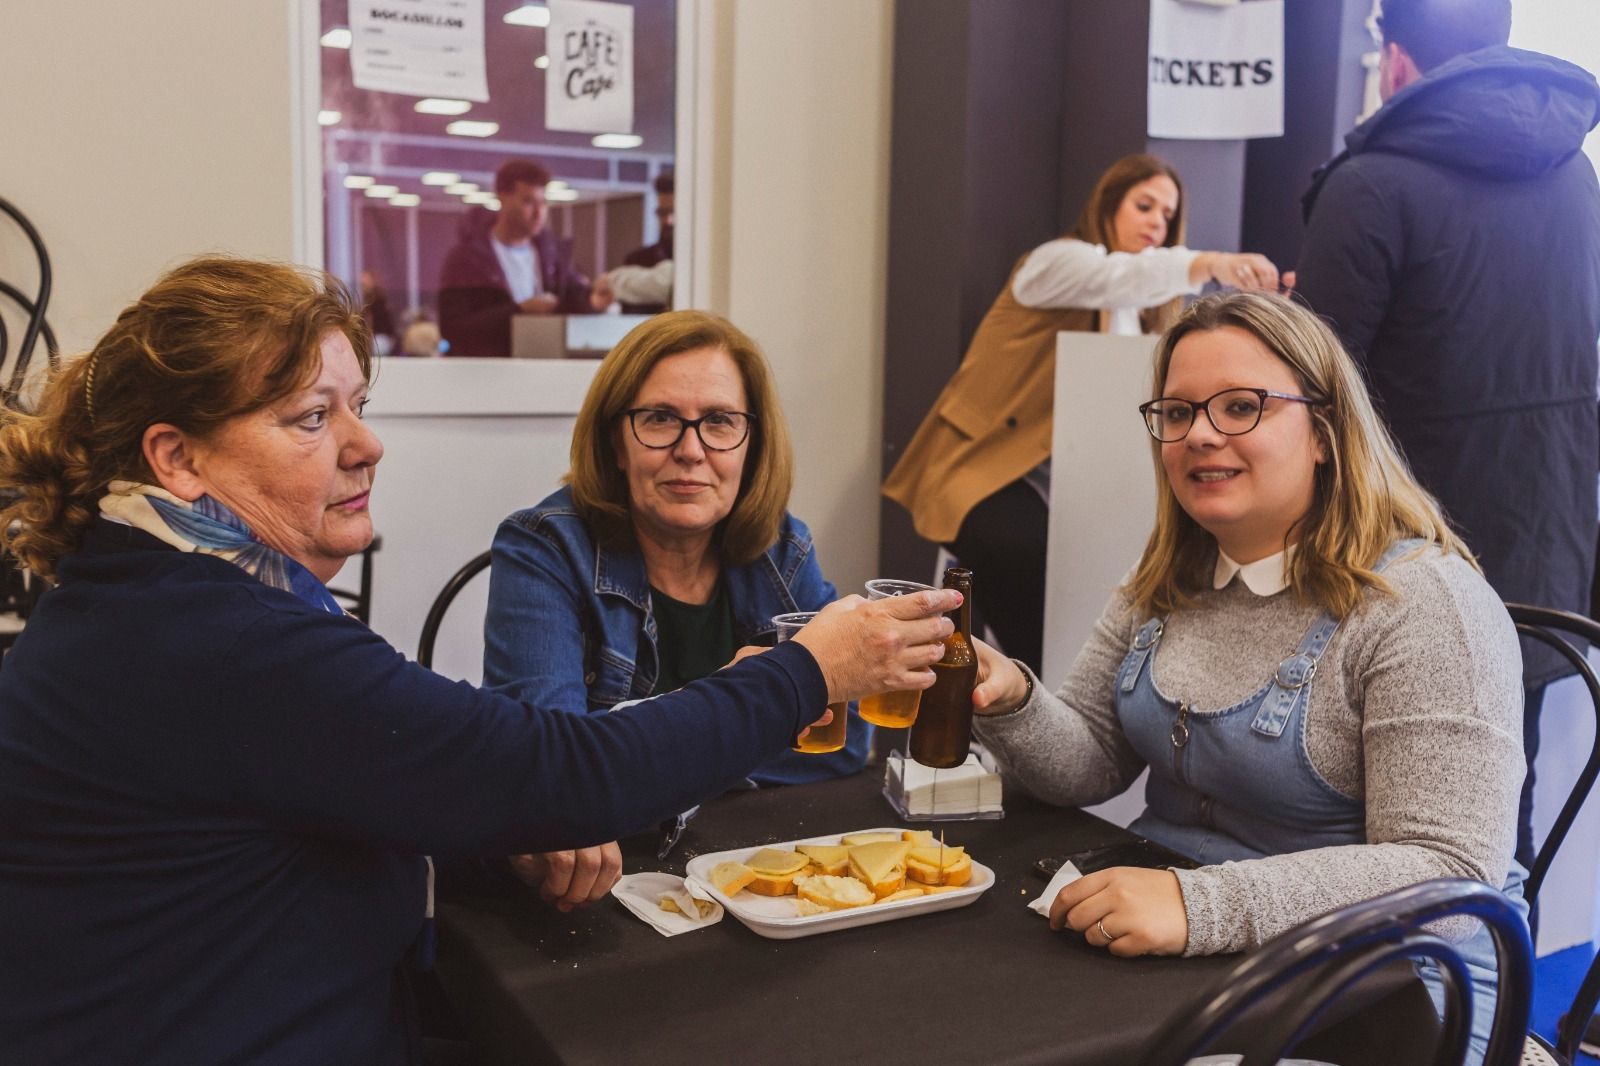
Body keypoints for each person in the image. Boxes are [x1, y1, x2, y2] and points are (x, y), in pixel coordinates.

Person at [0, 257, 959, 1064]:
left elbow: (405, 778)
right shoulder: (224, 639)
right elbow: (564, 768)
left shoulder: (149, 593)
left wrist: (497, 819)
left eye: (358, 406)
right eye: (311, 418)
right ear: (177, 459)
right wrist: (806, 671)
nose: (368, 444)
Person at [970, 292, 1524, 1064]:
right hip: (1199, 955)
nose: (1200, 434)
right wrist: (1011, 697)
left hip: (1392, 992)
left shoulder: (1427, 605)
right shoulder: (1166, 575)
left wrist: (1199, 905)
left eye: (1241, 407)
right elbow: (1091, 762)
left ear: (1325, 432)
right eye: (1177, 412)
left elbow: (1449, 877)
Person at [1290, 0, 1600, 889]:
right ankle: (1496, 983)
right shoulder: (1573, 170)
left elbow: (1308, 393)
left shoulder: (1370, 184)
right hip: (1539, 547)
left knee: (1357, 834)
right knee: (1497, 821)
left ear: (1394, 61)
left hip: (1390, 562)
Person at [883, 153, 1281, 673]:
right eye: (1144, 205)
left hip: (1072, 490)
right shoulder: (1055, 265)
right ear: (1108, 206)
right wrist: (1209, 264)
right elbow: (1117, 276)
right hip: (980, 468)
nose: (1156, 223)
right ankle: (1038, 689)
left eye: (1167, 215)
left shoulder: (1141, 312)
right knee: (1030, 562)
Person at [484, 310, 869, 789]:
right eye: (660, 418)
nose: (690, 450)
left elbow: (845, 739)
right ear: (616, 443)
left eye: (720, 421)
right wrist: (749, 714)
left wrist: (661, 758)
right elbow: (552, 767)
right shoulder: (544, 548)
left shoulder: (781, 548)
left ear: (751, 447)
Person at [437, 158, 593, 357]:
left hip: (544, 365)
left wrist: (594, 299)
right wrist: (519, 311)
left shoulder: (554, 257)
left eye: (543, 203)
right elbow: (452, 328)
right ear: (502, 198)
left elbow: (574, 302)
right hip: (488, 369)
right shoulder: (466, 258)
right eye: (528, 202)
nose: (538, 213)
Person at [592, 172, 676, 314]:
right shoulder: (638, 259)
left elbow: (667, 282)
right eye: (662, 213)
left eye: (674, 212)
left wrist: (612, 280)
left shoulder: (696, 265)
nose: (668, 221)